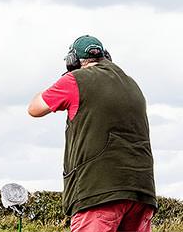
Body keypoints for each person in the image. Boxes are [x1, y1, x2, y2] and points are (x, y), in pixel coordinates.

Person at [28, 35, 157, 232]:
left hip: (98, 192)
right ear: (106, 56)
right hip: (141, 192)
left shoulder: (75, 80)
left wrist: (65, 78)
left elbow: (34, 108)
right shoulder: (132, 84)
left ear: (72, 61)